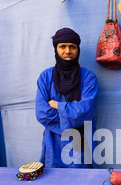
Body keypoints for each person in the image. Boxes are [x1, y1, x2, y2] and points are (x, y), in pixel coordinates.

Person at [35, 27, 98, 168]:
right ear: (56, 49)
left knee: (83, 183)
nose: (68, 51)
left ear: (78, 49)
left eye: (72, 47)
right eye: (62, 46)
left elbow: (86, 111)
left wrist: (59, 106)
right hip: (53, 142)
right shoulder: (45, 77)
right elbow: (42, 113)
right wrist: (72, 114)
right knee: (53, 182)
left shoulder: (88, 78)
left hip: (81, 143)